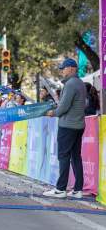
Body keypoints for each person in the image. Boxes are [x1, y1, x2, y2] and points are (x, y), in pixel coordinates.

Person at [44, 58, 86, 199]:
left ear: (72, 69)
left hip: (67, 126)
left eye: (64, 68)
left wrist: (53, 113)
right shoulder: (79, 83)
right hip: (79, 125)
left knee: (64, 156)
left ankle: (61, 189)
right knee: (76, 157)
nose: (62, 71)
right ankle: (77, 190)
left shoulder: (71, 84)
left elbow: (64, 106)